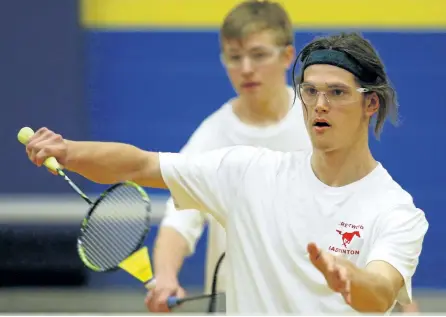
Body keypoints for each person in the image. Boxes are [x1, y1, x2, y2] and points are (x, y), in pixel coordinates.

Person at [23, 31, 428, 314]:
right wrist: (70, 151)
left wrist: (350, 279)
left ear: (370, 104)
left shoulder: (395, 211)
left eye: (337, 92)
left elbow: (381, 291)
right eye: (309, 90)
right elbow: (140, 164)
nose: (319, 104)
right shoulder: (246, 172)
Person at [147, 0, 311, 313]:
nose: (246, 68)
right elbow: (180, 218)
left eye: (259, 54)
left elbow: (362, 205)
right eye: (234, 57)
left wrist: (401, 297)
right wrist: (166, 275)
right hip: (237, 304)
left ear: (287, 56)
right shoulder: (213, 135)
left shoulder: (318, 120)